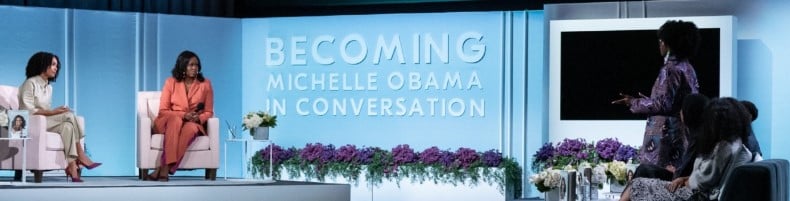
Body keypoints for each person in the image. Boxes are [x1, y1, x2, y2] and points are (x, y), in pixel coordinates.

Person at [620, 97, 755, 201]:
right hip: (694, 192)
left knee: (636, 185)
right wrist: (684, 178)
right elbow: (704, 176)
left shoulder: (723, 148)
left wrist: (684, 180)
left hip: (693, 197)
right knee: (638, 183)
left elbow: (700, 182)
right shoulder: (733, 143)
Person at [612, 20, 701, 169]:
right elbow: (676, 102)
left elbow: (664, 104)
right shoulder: (687, 67)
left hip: (666, 134)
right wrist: (649, 100)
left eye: (661, 41)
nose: (660, 45)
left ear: (669, 44)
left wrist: (633, 102)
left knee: (656, 177)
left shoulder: (670, 69)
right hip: (681, 131)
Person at [18, 52, 101, 182]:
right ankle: (81, 154)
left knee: (67, 127)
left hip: (43, 122)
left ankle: (72, 167)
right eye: (53, 64)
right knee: (68, 115)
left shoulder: (49, 88)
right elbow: (27, 111)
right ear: (42, 65)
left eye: (57, 65)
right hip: (30, 123)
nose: (56, 68)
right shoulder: (30, 83)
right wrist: (54, 112)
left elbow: (45, 110)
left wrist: (56, 111)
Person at [146, 50, 214, 182]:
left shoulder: (205, 84)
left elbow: (209, 112)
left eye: (196, 65)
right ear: (182, 66)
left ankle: (163, 166)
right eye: (191, 65)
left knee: (191, 129)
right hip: (169, 121)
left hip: (192, 122)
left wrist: (198, 118)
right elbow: (163, 110)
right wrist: (184, 115)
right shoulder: (170, 82)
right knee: (176, 120)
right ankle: (165, 167)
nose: (195, 68)